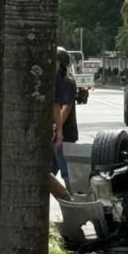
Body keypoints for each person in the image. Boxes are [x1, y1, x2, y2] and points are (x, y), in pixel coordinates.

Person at [52, 47, 78, 189]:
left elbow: (65, 108)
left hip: (64, 134)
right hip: (55, 134)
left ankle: (72, 197)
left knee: (67, 172)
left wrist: (57, 128)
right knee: (49, 171)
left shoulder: (67, 81)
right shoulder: (55, 80)